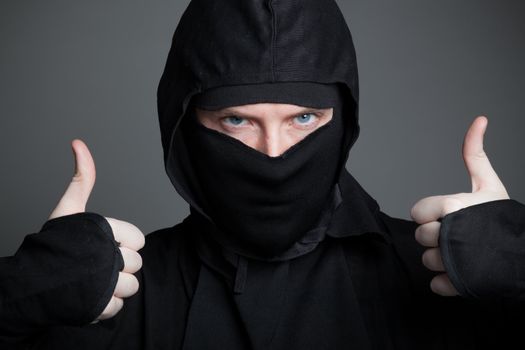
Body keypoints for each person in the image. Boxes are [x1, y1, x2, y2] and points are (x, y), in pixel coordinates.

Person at [1, 0, 524, 349]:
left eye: (303, 118)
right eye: (236, 120)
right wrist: (16, 296)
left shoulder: (448, 274)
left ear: (343, 121)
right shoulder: (113, 290)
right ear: (184, 126)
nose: (273, 154)